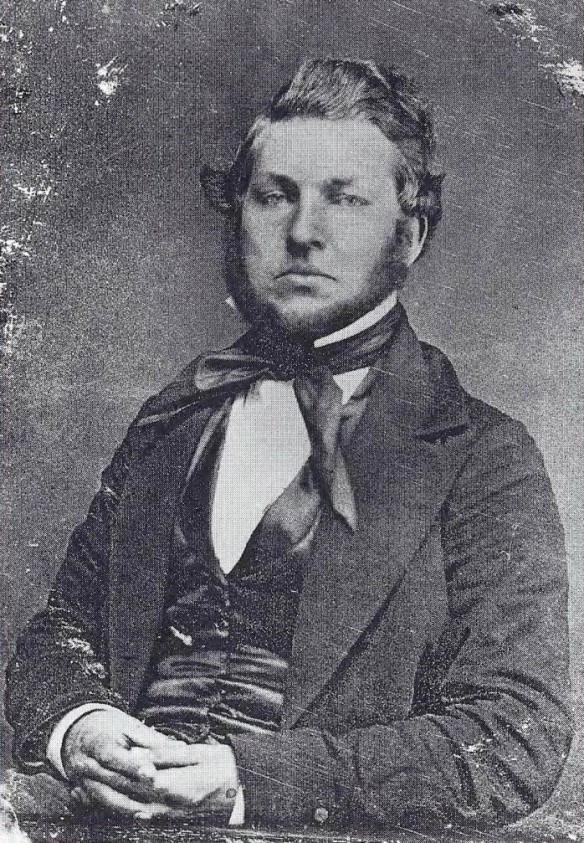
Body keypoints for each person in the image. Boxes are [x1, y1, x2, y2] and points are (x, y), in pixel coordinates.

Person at [4, 57, 572, 834]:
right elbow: (60, 629)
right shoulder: (174, 419)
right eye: (276, 196)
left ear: (410, 234)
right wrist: (79, 727)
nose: (303, 233)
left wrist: (249, 782)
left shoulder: (484, 456)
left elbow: (513, 738)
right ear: (237, 212)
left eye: (345, 199)